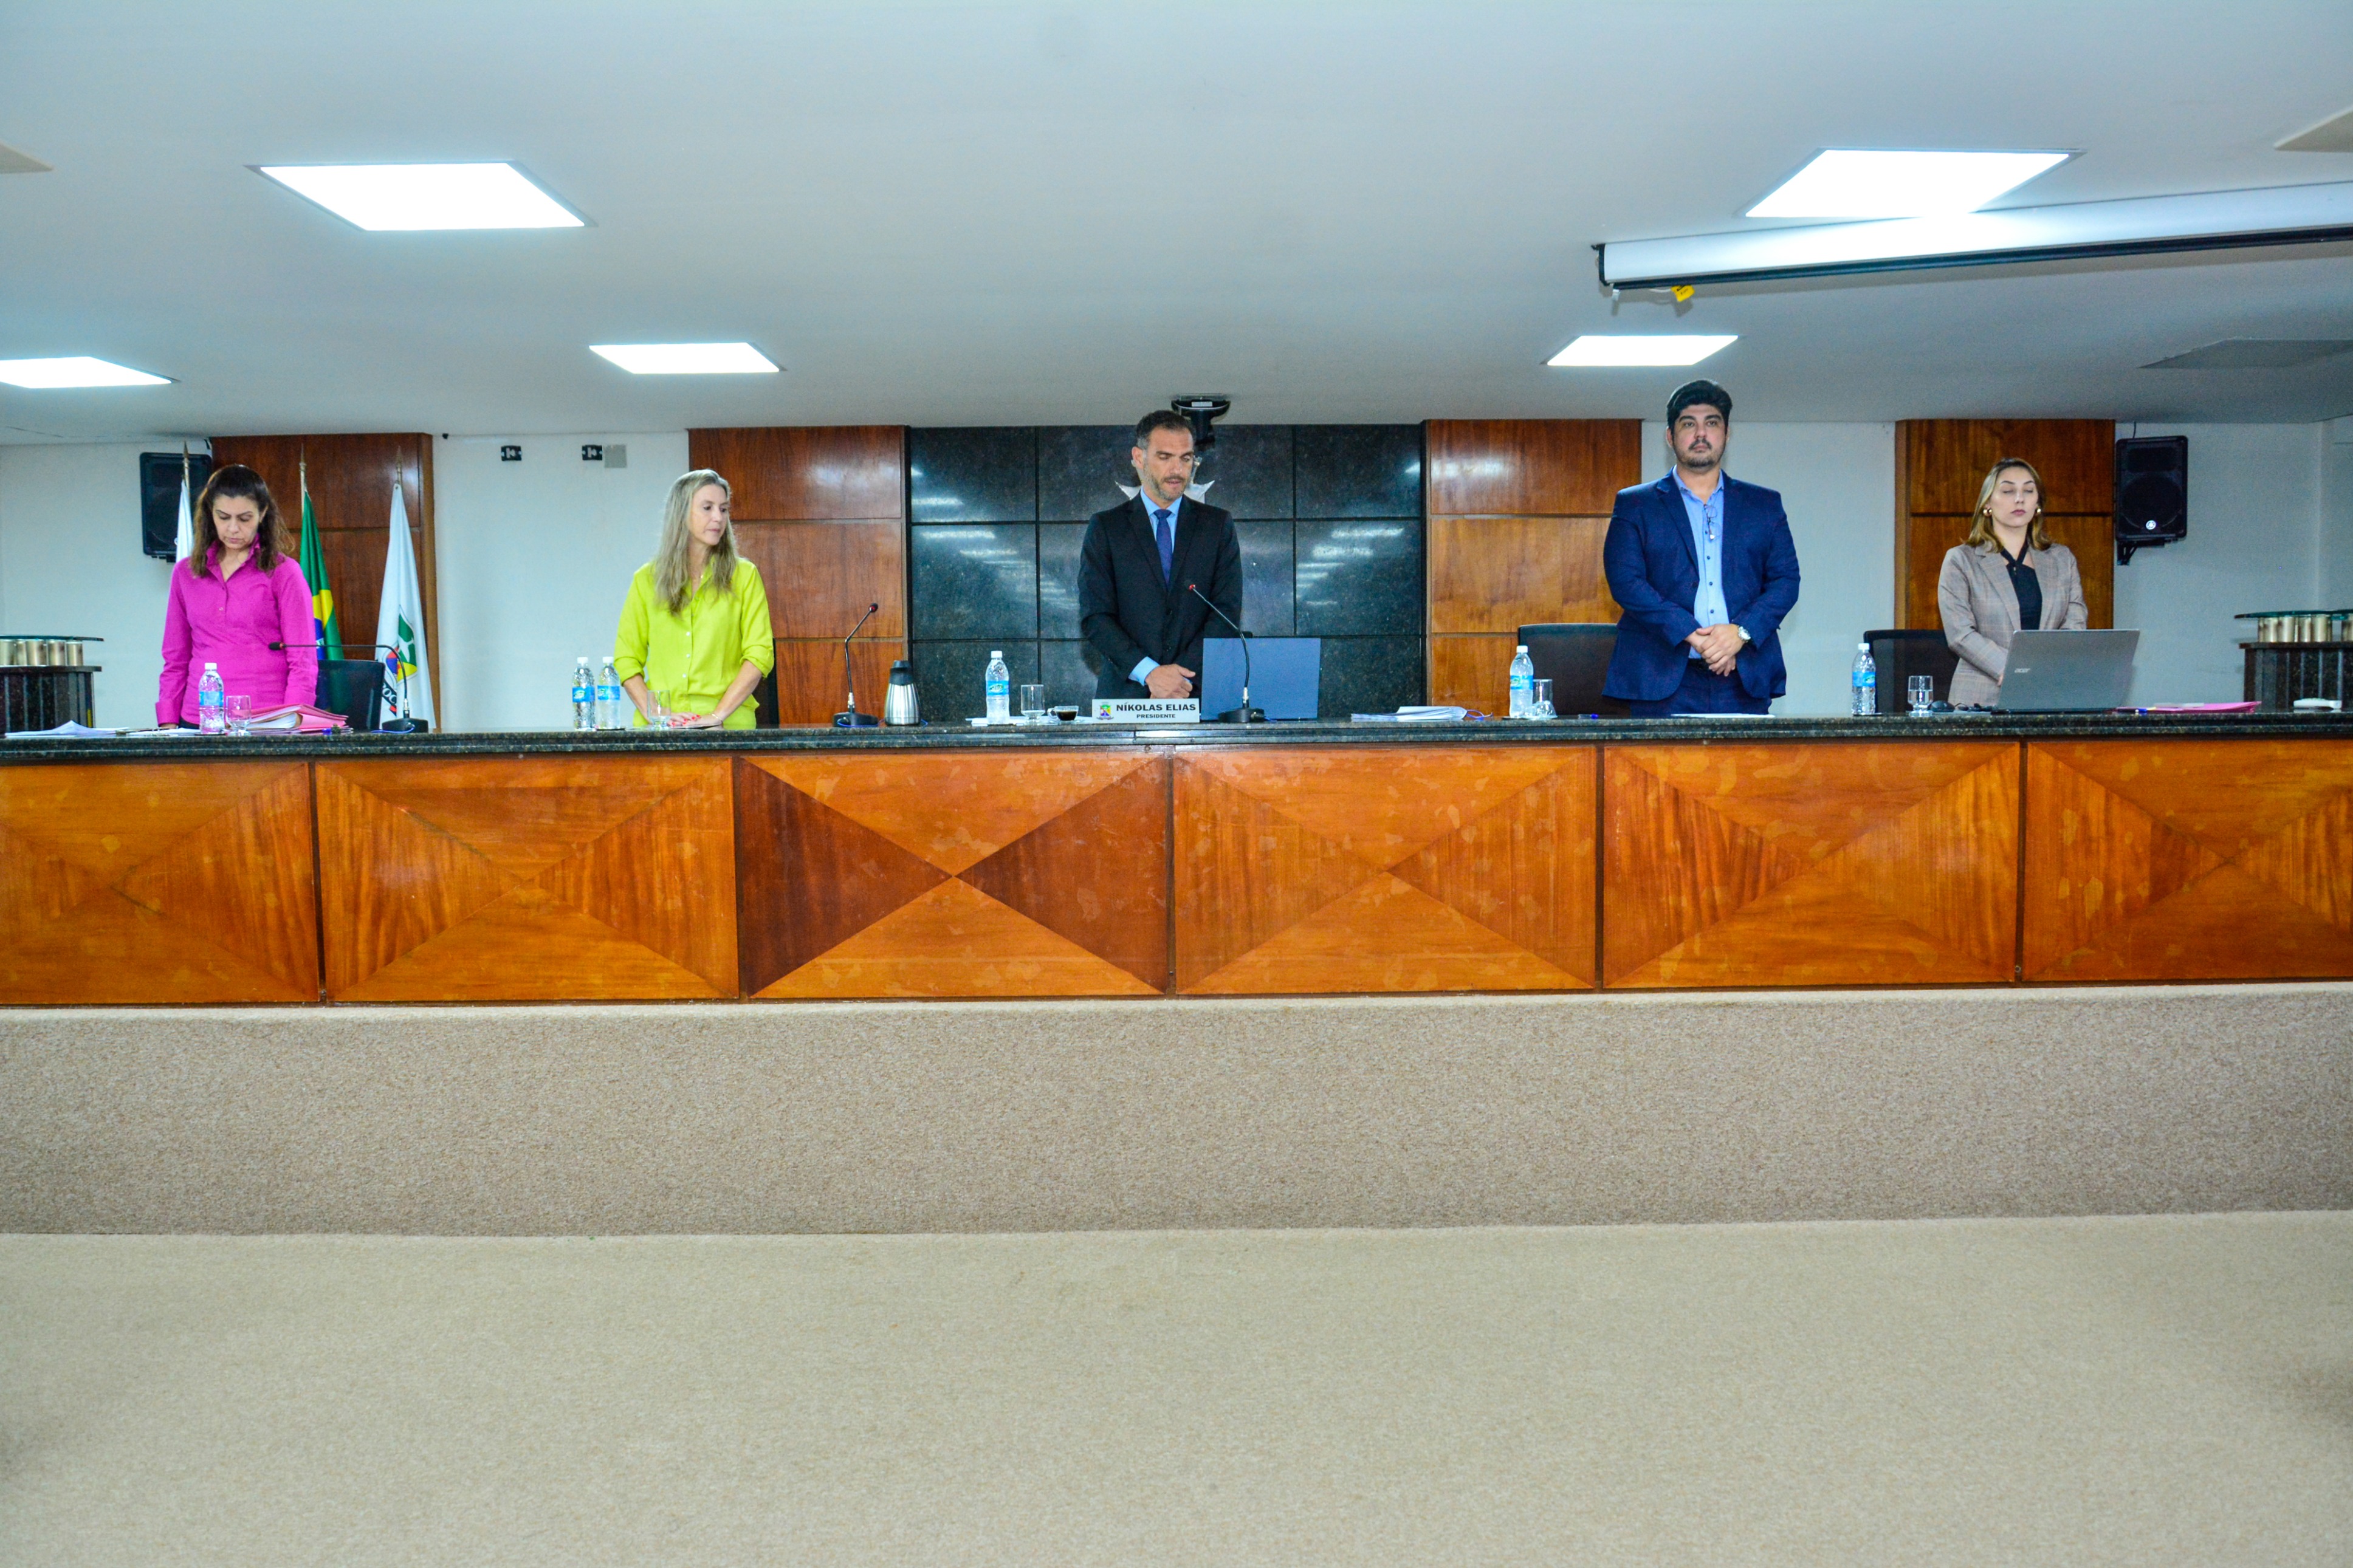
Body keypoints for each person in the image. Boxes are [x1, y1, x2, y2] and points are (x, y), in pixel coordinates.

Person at [1601, 380, 1801, 716]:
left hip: (1743, 676)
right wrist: (1694, 636)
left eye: (1712, 423)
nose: (1701, 434)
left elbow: (1786, 582)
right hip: (1659, 678)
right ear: (1670, 436)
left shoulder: (1764, 505)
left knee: (1748, 756)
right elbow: (1626, 582)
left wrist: (1740, 633)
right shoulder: (1636, 504)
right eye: (1688, 424)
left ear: (1726, 434)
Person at [1076, 411, 1243, 702]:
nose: (1177, 470)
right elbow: (1096, 616)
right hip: (1128, 696)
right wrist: (1150, 673)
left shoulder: (1217, 526)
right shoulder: (1106, 527)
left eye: (1186, 459)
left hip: (1195, 692)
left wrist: (1178, 678)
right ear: (1139, 458)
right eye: (1165, 457)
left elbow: (1225, 612)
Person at [612, 469, 775, 728]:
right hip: (663, 728)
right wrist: (658, 714)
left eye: (724, 509)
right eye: (707, 508)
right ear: (681, 514)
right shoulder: (646, 580)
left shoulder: (745, 576)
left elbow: (759, 654)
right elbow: (626, 658)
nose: (718, 517)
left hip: (729, 724)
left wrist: (717, 716)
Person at [156, 464, 317, 726]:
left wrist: (294, 718)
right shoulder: (186, 573)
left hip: (267, 718)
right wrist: (167, 721)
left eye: (244, 519)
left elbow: (303, 659)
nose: (233, 529)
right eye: (223, 517)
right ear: (210, 514)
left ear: (262, 514)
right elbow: (175, 657)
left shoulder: (284, 572)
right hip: (198, 718)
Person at [1937, 457, 2089, 708]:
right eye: (2008, 491)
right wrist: (2017, 670)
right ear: (1988, 503)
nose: (2020, 499)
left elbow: (2075, 625)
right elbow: (1960, 634)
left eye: (2029, 491)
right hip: (1981, 697)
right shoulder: (1961, 560)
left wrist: (2041, 671)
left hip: (2048, 693)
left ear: (2037, 503)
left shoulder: (2062, 559)